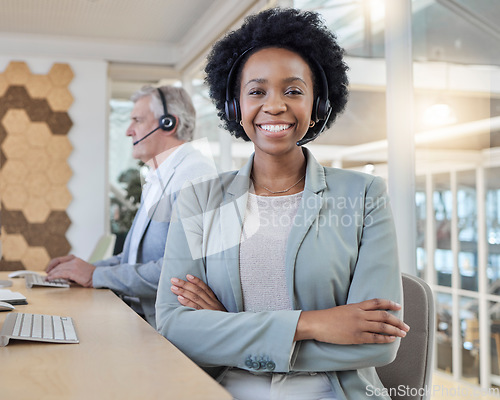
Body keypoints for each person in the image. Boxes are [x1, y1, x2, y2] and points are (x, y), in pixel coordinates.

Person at [155, 8, 409, 400]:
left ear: (318, 105)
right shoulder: (199, 201)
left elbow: (378, 342)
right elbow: (174, 326)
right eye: (257, 91)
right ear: (234, 106)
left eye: (293, 90)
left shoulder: (363, 196)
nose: (274, 106)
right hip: (227, 388)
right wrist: (310, 324)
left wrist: (228, 327)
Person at [46, 85, 214, 328]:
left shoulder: (195, 176)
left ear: (168, 123)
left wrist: (95, 275)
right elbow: (133, 258)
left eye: (137, 120)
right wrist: (81, 269)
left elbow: (180, 274)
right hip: (140, 317)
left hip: (169, 329)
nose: (128, 131)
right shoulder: (159, 176)